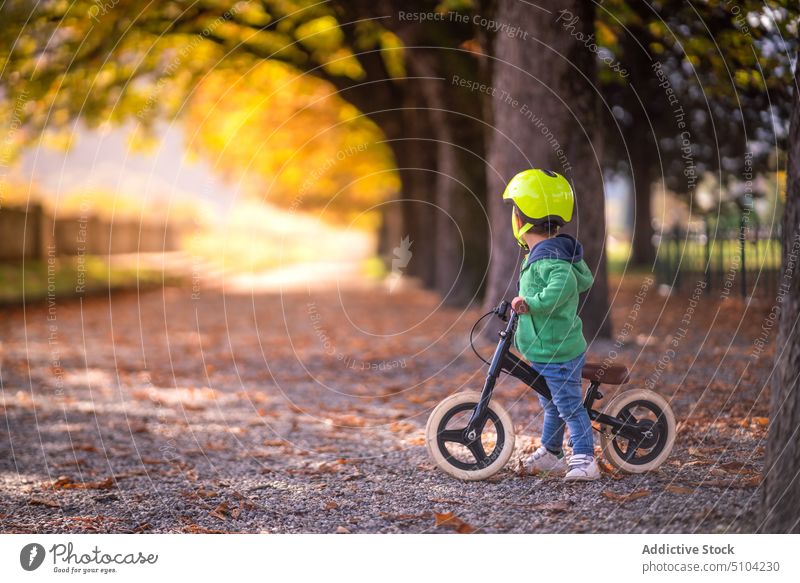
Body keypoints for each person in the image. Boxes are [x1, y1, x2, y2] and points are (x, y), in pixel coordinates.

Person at [504, 168, 599, 482]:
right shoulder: (547, 253)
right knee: (552, 403)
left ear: (522, 219)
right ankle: (552, 451)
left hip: (557, 350)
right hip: (547, 348)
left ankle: (585, 458)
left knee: (569, 405)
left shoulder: (551, 260)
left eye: (514, 212)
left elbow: (562, 287)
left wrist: (532, 303)